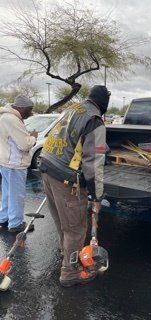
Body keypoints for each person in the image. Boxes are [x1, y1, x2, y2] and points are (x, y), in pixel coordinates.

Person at [40, 85, 111, 287]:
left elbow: (68, 137)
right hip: (66, 179)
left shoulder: (72, 109)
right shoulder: (95, 120)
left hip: (47, 169)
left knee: (63, 222)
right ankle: (70, 272)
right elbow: (94, 164)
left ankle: (66, 252)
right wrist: (97, 196)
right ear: (104, 102)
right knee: (76, 229)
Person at [0, 96, 38, 232]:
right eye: (30, 109)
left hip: (6, 163)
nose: (31, 113)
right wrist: (33, 137)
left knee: (7, 193)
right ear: (21, 108)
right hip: (15, 164)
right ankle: (15, 224)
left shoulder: (5, 117)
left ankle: (3, 219)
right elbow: (24, 145)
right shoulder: (12, 119)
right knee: (16, 196)